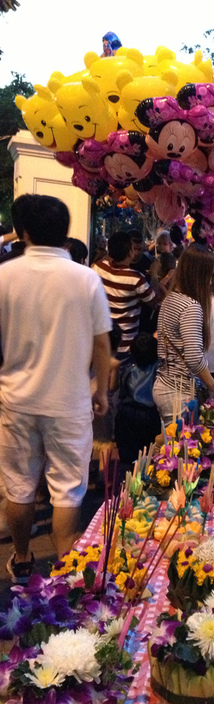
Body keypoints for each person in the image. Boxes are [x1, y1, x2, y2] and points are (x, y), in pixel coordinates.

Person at [0, 194, 112, 581]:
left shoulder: (4, 276)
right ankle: (66, 565)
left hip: (16, 399)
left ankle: (22, 556)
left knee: (19, 484)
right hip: (69, 401)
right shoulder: (86, 278)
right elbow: (102, 344)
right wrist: (101, 390)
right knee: (67, 488)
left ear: (24, 231)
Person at [153, 244, 214, 424]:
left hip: (164, 383)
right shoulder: (190, 307)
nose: (211, 281)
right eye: (209, 275)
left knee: (170, 445)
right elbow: (194, 357)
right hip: (178, 391)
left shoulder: (171, 298)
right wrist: (212, 386)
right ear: (199, 275)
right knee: (181, 449)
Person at [92, 231, 157, 362]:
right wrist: (155, 273)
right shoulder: (135, 279)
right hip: (126, 344)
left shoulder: (98, 268)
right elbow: (153, 302)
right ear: (130, 252)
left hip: (102, 338)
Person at [114, 333, 160, 470]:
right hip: (149, 416)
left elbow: (122, 392)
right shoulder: (158, 370)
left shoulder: (128, 369)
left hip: (126, 415)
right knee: (149, 454)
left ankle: (126, 482)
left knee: (128, 455)